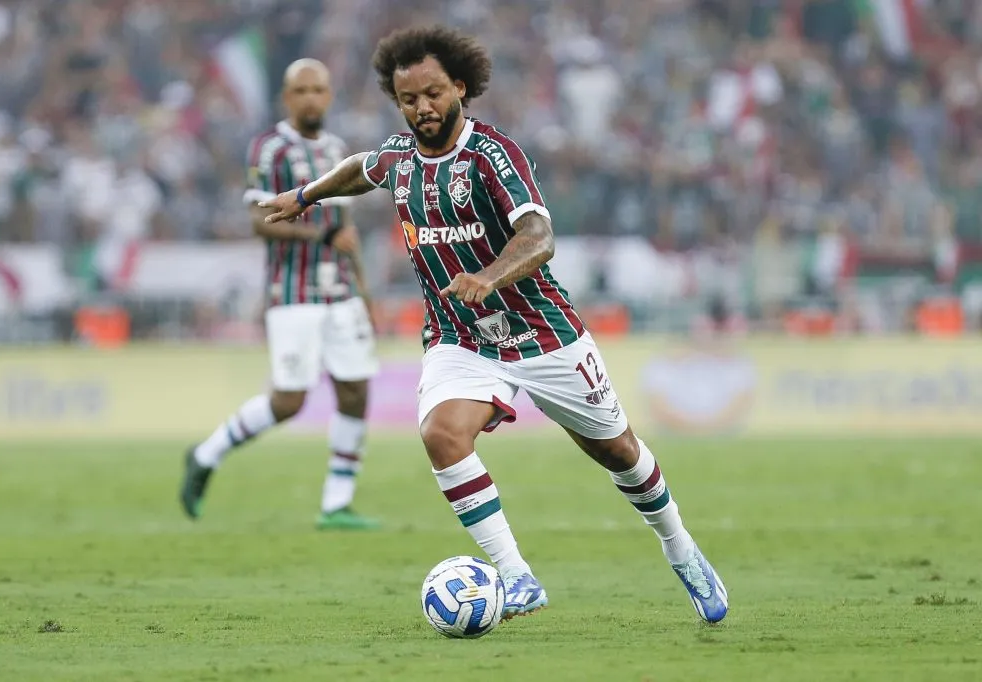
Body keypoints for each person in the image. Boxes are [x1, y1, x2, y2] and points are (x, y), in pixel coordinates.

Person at [259, 27, 728, 622]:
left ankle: (681, 549)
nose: (422, 108)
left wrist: (491, 276)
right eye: (409, 100)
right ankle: (516, 576)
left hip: (541, 331)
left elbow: (540, 237)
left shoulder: (493, 155)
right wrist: (305, 196)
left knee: (619, 452)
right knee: (440, 435)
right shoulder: (400, 158)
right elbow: (362, 168)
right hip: (461, 338)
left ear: (459, 86)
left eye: (432, 94)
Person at [179, 59, 381, 531]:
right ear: (287, 98)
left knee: (355, 393)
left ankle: (336, 504)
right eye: (301, 90)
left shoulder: (337, 149)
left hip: (342, 292)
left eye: (318, 89)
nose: (311, 98)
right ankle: (206, 454)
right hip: (293, 293)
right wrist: (321, 239)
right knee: (289, 401)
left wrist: (365, 291)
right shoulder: (270, 149)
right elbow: (257, 220)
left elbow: (346, 226)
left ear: (329, 95)